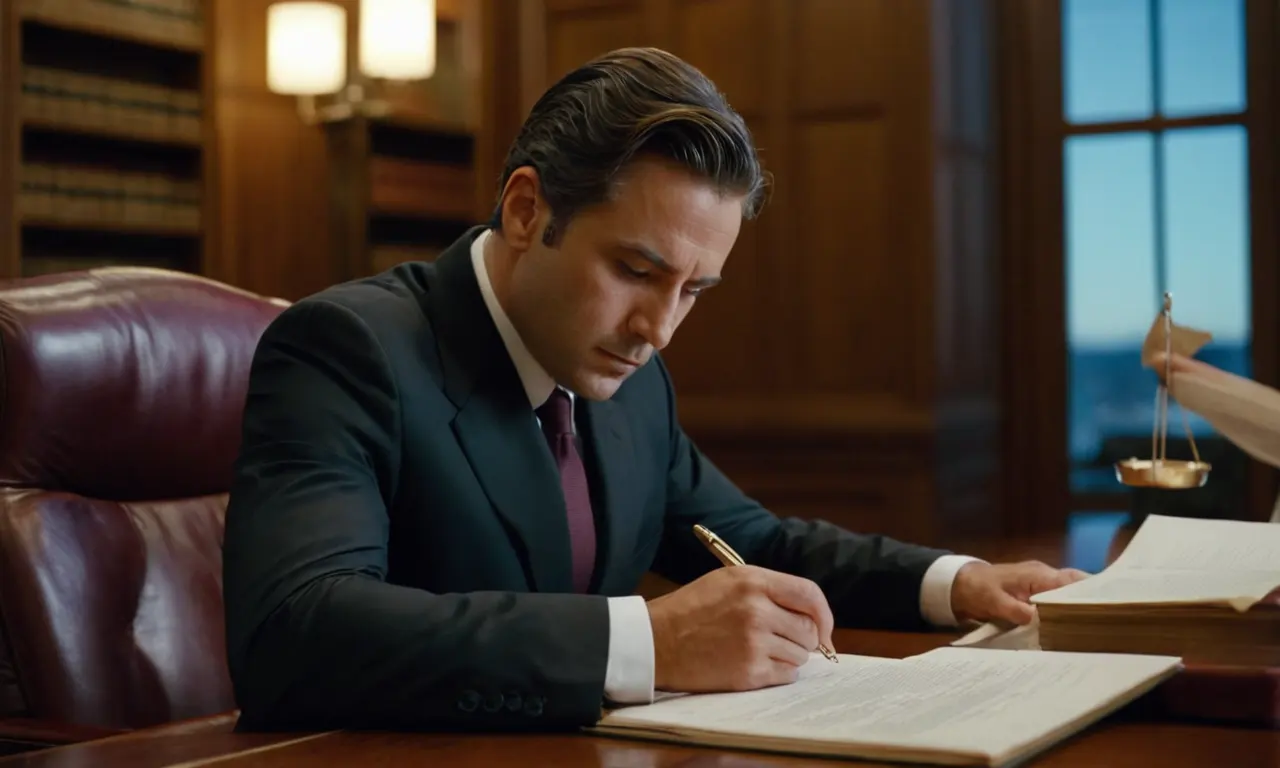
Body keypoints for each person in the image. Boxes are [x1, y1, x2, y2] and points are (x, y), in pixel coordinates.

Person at [221, 46, 1086, 732]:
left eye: (694, 292)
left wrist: (958, 582)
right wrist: (651, 639)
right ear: (525, 211)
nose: (660, 329)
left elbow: (747, 540)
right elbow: (295, 635)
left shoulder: (632, 377)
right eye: (637, 270)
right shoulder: (346, 350)